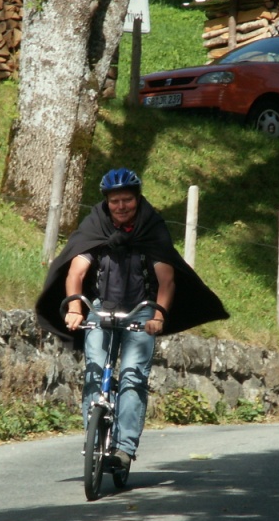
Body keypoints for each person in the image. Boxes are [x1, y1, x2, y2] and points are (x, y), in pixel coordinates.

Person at [35, 168, 228, 469]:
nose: (121, 206)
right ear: (107, 202)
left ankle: (124, 450)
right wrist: (75, 308)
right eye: (115, 201)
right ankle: (95, 438)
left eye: (127, 200)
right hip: (101, 308)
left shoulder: (151, 227)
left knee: (132, 378)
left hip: (141, 309)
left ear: (137, 199)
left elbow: (167, 280)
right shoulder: (96, 224)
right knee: (95, 372)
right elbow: (76, 270)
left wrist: (159, 315)